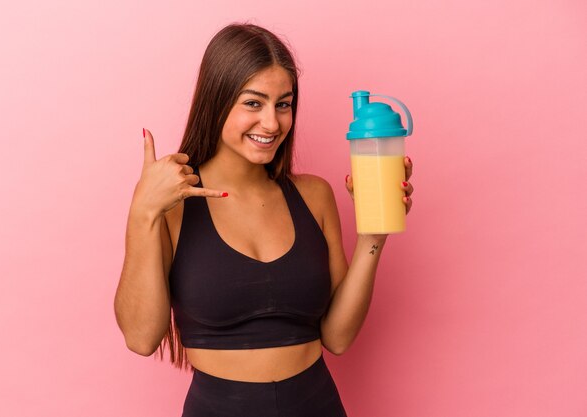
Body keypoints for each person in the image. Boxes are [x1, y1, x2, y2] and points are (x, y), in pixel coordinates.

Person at [114, 22, 414, 417]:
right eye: (253, 103)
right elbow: (140, 337)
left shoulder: (313, 195)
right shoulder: (174, 205)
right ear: (217, 101)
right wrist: (143, 211)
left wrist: (374, 235)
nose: (272, 124)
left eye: (283, 104)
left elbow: (338, 338)